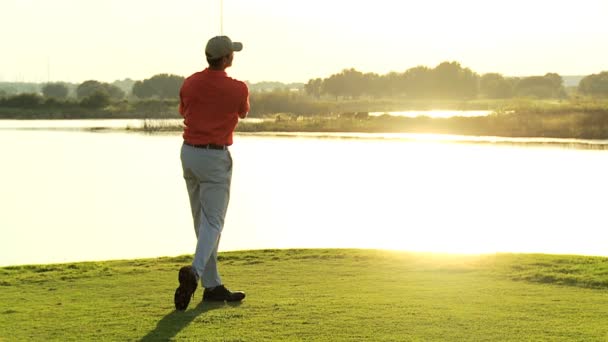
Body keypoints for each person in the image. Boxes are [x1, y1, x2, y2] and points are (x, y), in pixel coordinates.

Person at [174, 36, 250, 311]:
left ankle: (213, 286)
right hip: (215, 156)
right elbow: (242, 113)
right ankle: (195, 273)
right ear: (228, 59)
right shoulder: (238, 88)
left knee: (202, 223)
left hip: (189, 154)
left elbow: (184, 110)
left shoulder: (190, 82)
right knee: (214, 222)